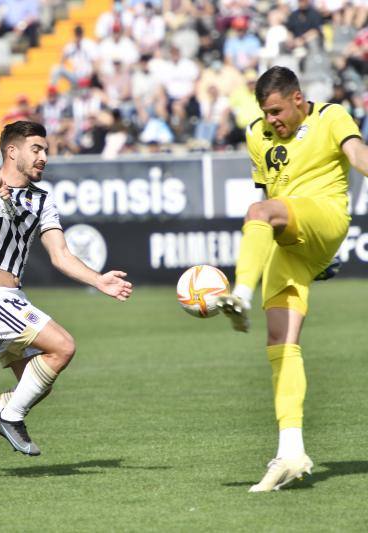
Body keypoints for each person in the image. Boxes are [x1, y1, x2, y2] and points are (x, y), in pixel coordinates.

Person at [0, 121, 133, 481]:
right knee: (63, 346)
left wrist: (98, 280)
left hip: (12, 297)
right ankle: (10, 420)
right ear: (12, 151)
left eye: (45, 150)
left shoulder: (43, 200)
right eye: (37, 149)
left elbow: (60, 255)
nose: (44, 156)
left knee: (33, 385)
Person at [215, 66, 368, 492]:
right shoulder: (256, 135)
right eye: (266, 112)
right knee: (281, 345)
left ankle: (240, 295)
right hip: (291, 245)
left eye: (278, 111)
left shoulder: (331, 116)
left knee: (257, 213)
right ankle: (291, 451)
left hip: (324, 216)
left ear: (299, 99)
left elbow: (358, 156)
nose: (272, 120)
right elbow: (268, 193)